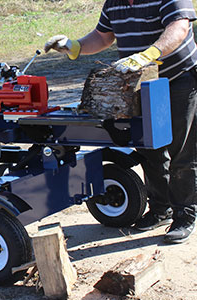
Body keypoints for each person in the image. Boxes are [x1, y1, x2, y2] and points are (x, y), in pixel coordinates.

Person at [45, 0, 197, 244]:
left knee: (182, 151)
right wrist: (73, 47)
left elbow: (179, 28)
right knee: (149, 149)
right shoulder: (114, 3)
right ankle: (161, 210)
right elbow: (103, 37)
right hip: (140, 84)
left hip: (178, 79)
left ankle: (185, 213)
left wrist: (149, 55)